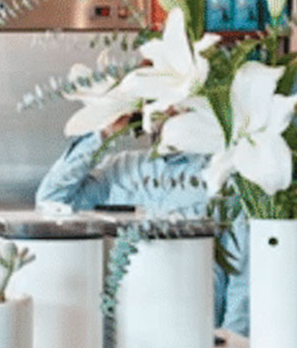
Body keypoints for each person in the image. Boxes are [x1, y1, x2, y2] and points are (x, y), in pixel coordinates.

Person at [36, 115, 249, 336]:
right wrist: (104, 134)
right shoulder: (121, 168)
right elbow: (51, 200)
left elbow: (242, 276)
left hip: (193, 335)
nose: (170, 110)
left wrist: (231, 344)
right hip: (122, 337)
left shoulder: (222, 175)